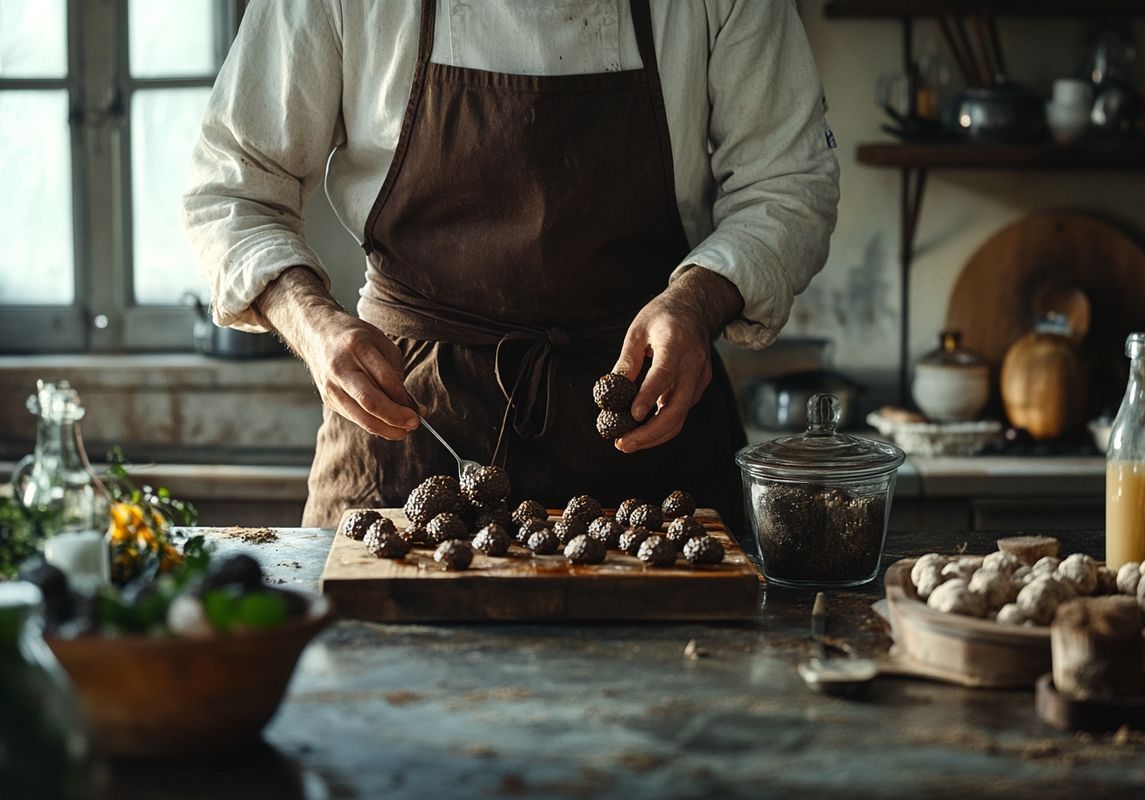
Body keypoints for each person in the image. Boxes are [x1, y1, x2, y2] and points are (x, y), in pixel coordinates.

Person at [183, 0, 839, 530]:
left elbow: (788, 182)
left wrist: (698, 303)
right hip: (412, 433)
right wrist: (316, 325)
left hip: (646, 427)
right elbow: (234, 189)